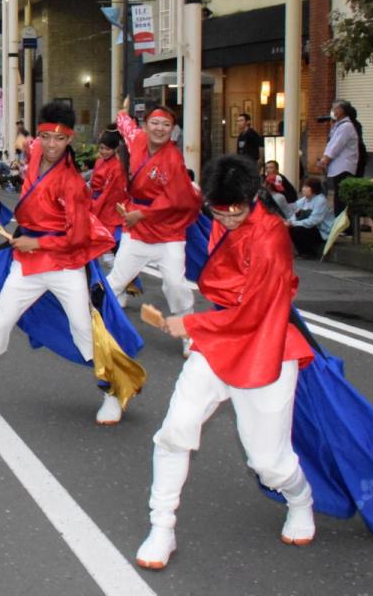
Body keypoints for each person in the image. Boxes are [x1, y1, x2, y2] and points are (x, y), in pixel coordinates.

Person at [135, 155, 315, 570]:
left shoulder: (271, 237)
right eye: (220, 212)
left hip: (265, 344)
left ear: (253, 197)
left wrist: (191, 324)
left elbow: (254, 315)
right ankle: (162, 526)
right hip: (217, 341)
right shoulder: (217, 215)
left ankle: (300, 498)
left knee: (268, 463)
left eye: (237, 211)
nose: (229, 219)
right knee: (175, 431)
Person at [0, 102, 139, 425]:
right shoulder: (33, 157)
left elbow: (80, 237)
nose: (51, 144)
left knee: (84, 331)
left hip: (64, 264)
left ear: (69, 139)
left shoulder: (72, 184)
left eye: (59, 139)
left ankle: (112, 393)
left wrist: (38, 241)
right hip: (27, 263)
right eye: (45, 137)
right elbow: (26, 155)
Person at [105, 101, 201, 356]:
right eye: (155, 123)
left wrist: (143, 213)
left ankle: (187, 333)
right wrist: (123, 112)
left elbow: (176, 198)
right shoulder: (136, 139)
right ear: (145, 125)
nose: (160, 129)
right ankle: (99, 328)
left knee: (175, 285)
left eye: (166, 125)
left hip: (168, 231)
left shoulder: (173, 158)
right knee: (115, 281)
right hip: (137, 230)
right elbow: (125, 126)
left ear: (173, 129)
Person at [89, 129, 128, 266]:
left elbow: (111, 192)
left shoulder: (117, 167)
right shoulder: (99, 161)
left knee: (111, 239)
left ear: (115, 149)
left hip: (107, 203)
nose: (103, 151)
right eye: (101, 148)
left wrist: (95, 207)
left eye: (107, 149)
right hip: (97, 199)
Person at [316, 100, 359, 216]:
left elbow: (336, 146)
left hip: (343, 167)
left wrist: (325, 160)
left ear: (342, 111)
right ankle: (340, 224)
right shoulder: (339, 125)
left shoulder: (346, 126)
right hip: (338, 167)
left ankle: (344, 226)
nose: (333, 111)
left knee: (341, 198)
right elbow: (331, 143)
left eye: (335, 109)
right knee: (338, 196)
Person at [286, 178, 333, 258]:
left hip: (321, 230)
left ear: (314, 189)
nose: (304, 189)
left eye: (307, 187)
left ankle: (308, 252)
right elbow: (294, 212)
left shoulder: (320, 201)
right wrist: (290, 222)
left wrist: (294, 223)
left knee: (299, 229)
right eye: (304, 186)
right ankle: (301, 251)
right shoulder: (303, 200)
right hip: (309, 226)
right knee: (291, 228)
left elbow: (314, 220)